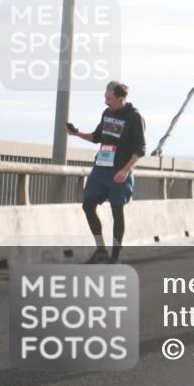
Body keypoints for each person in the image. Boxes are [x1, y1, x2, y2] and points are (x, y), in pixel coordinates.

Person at [66, 80, 146, 264]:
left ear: (121, 99)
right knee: (88, 205)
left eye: (109, 98)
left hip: (119, 171)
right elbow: (96, 137)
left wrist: (125, 171)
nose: (106, 102)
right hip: (101, 168)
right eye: (105, 97)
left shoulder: (134, 117)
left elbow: (140, 149)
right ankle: (101, 250)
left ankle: (115, 257)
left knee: (117, 211)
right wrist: (76, 133)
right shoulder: (107, 113)